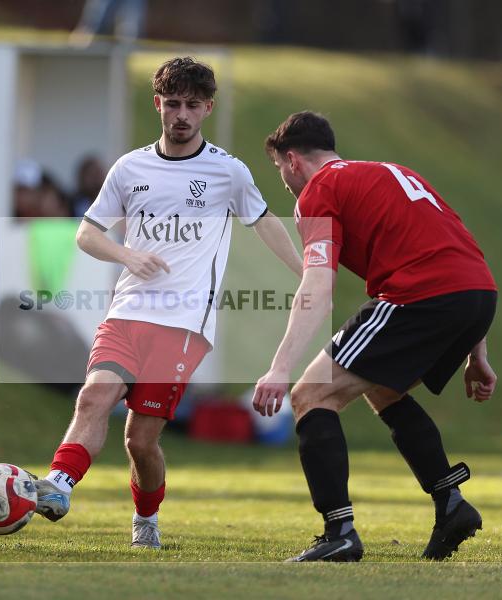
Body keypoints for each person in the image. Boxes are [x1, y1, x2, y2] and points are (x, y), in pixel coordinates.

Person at [30, 57, 303, 548]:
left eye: (192, 105)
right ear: (158, 103)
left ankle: (146, 518)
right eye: (173, 103)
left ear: (207, 109)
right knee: (93, 396)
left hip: (184, 324)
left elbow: (265, 223)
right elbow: (87, 233)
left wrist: (308, 272)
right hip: (126, 312)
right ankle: (59, 486)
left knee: (140, 440)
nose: (181, 114)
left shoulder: (227, 172)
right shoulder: (130, 168)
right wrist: (127, 255)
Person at [253, 111, 498, 562]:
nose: (284, 182)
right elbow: (457, 247)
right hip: (477, 293)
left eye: (279, 169)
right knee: (383, 389)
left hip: (421, 294)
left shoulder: (318, 190)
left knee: (310, 396)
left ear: (292, 160)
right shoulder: (394, 172)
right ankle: (451, 504)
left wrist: (279, 368)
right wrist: (475, 349)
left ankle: (339, 533)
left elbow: (317, 286)